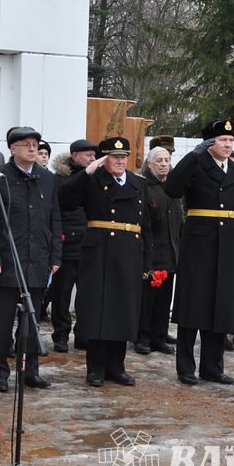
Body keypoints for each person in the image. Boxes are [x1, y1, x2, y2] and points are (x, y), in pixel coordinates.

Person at [164, 119, 234, 386]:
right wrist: (193, 155)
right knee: (194, 306)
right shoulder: (196, 165)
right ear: (208, 143)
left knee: (221, 307)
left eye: (230, 140)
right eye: (222, 140)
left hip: (227, 248)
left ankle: (212, 367)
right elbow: (172, 188)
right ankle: (186, 367)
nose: (227, 144)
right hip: (199, 246)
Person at [60, 137, 151, 387]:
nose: (120, 161)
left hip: (130, 252)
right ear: (104, 159)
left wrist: (147, 260)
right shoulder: (93, 180)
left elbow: (147, 226)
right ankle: (96, 367)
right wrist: (87, 172)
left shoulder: (136, 182)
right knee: (99, 310)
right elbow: (65, 198)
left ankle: (116, 365)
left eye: (123, 157)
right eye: (114, 157)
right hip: (100, 249)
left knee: (124, 309)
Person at [0, 127, 61, 392]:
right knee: (2, 322)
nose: (32, 149)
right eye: (26, 144)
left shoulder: (48, 179)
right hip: (7, 258)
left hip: (38, 257)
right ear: (12, 149)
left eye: (35, 144)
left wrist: (55, 255)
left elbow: (55, 219)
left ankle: (30, 371)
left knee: (32, 320)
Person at [50, 139, 98, 352]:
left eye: (93, 155)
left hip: (89, 242)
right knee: (62, 293)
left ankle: (83, 334)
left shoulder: (96, 176)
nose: (92, 159)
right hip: (68, 242)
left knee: (87, 293)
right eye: (88, 155)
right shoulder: (60, 178)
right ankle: (60, 334)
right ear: (74, 155)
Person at [135, 146, 181, 356]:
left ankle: (159, 337)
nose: (164, 164)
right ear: (150, 163)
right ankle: (142, 337)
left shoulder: (173, 187)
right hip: (151, 252)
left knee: (164, 300)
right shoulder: (144, 185)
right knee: (147, 300)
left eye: (167, 160)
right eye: (159, 161)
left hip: (170, 252)